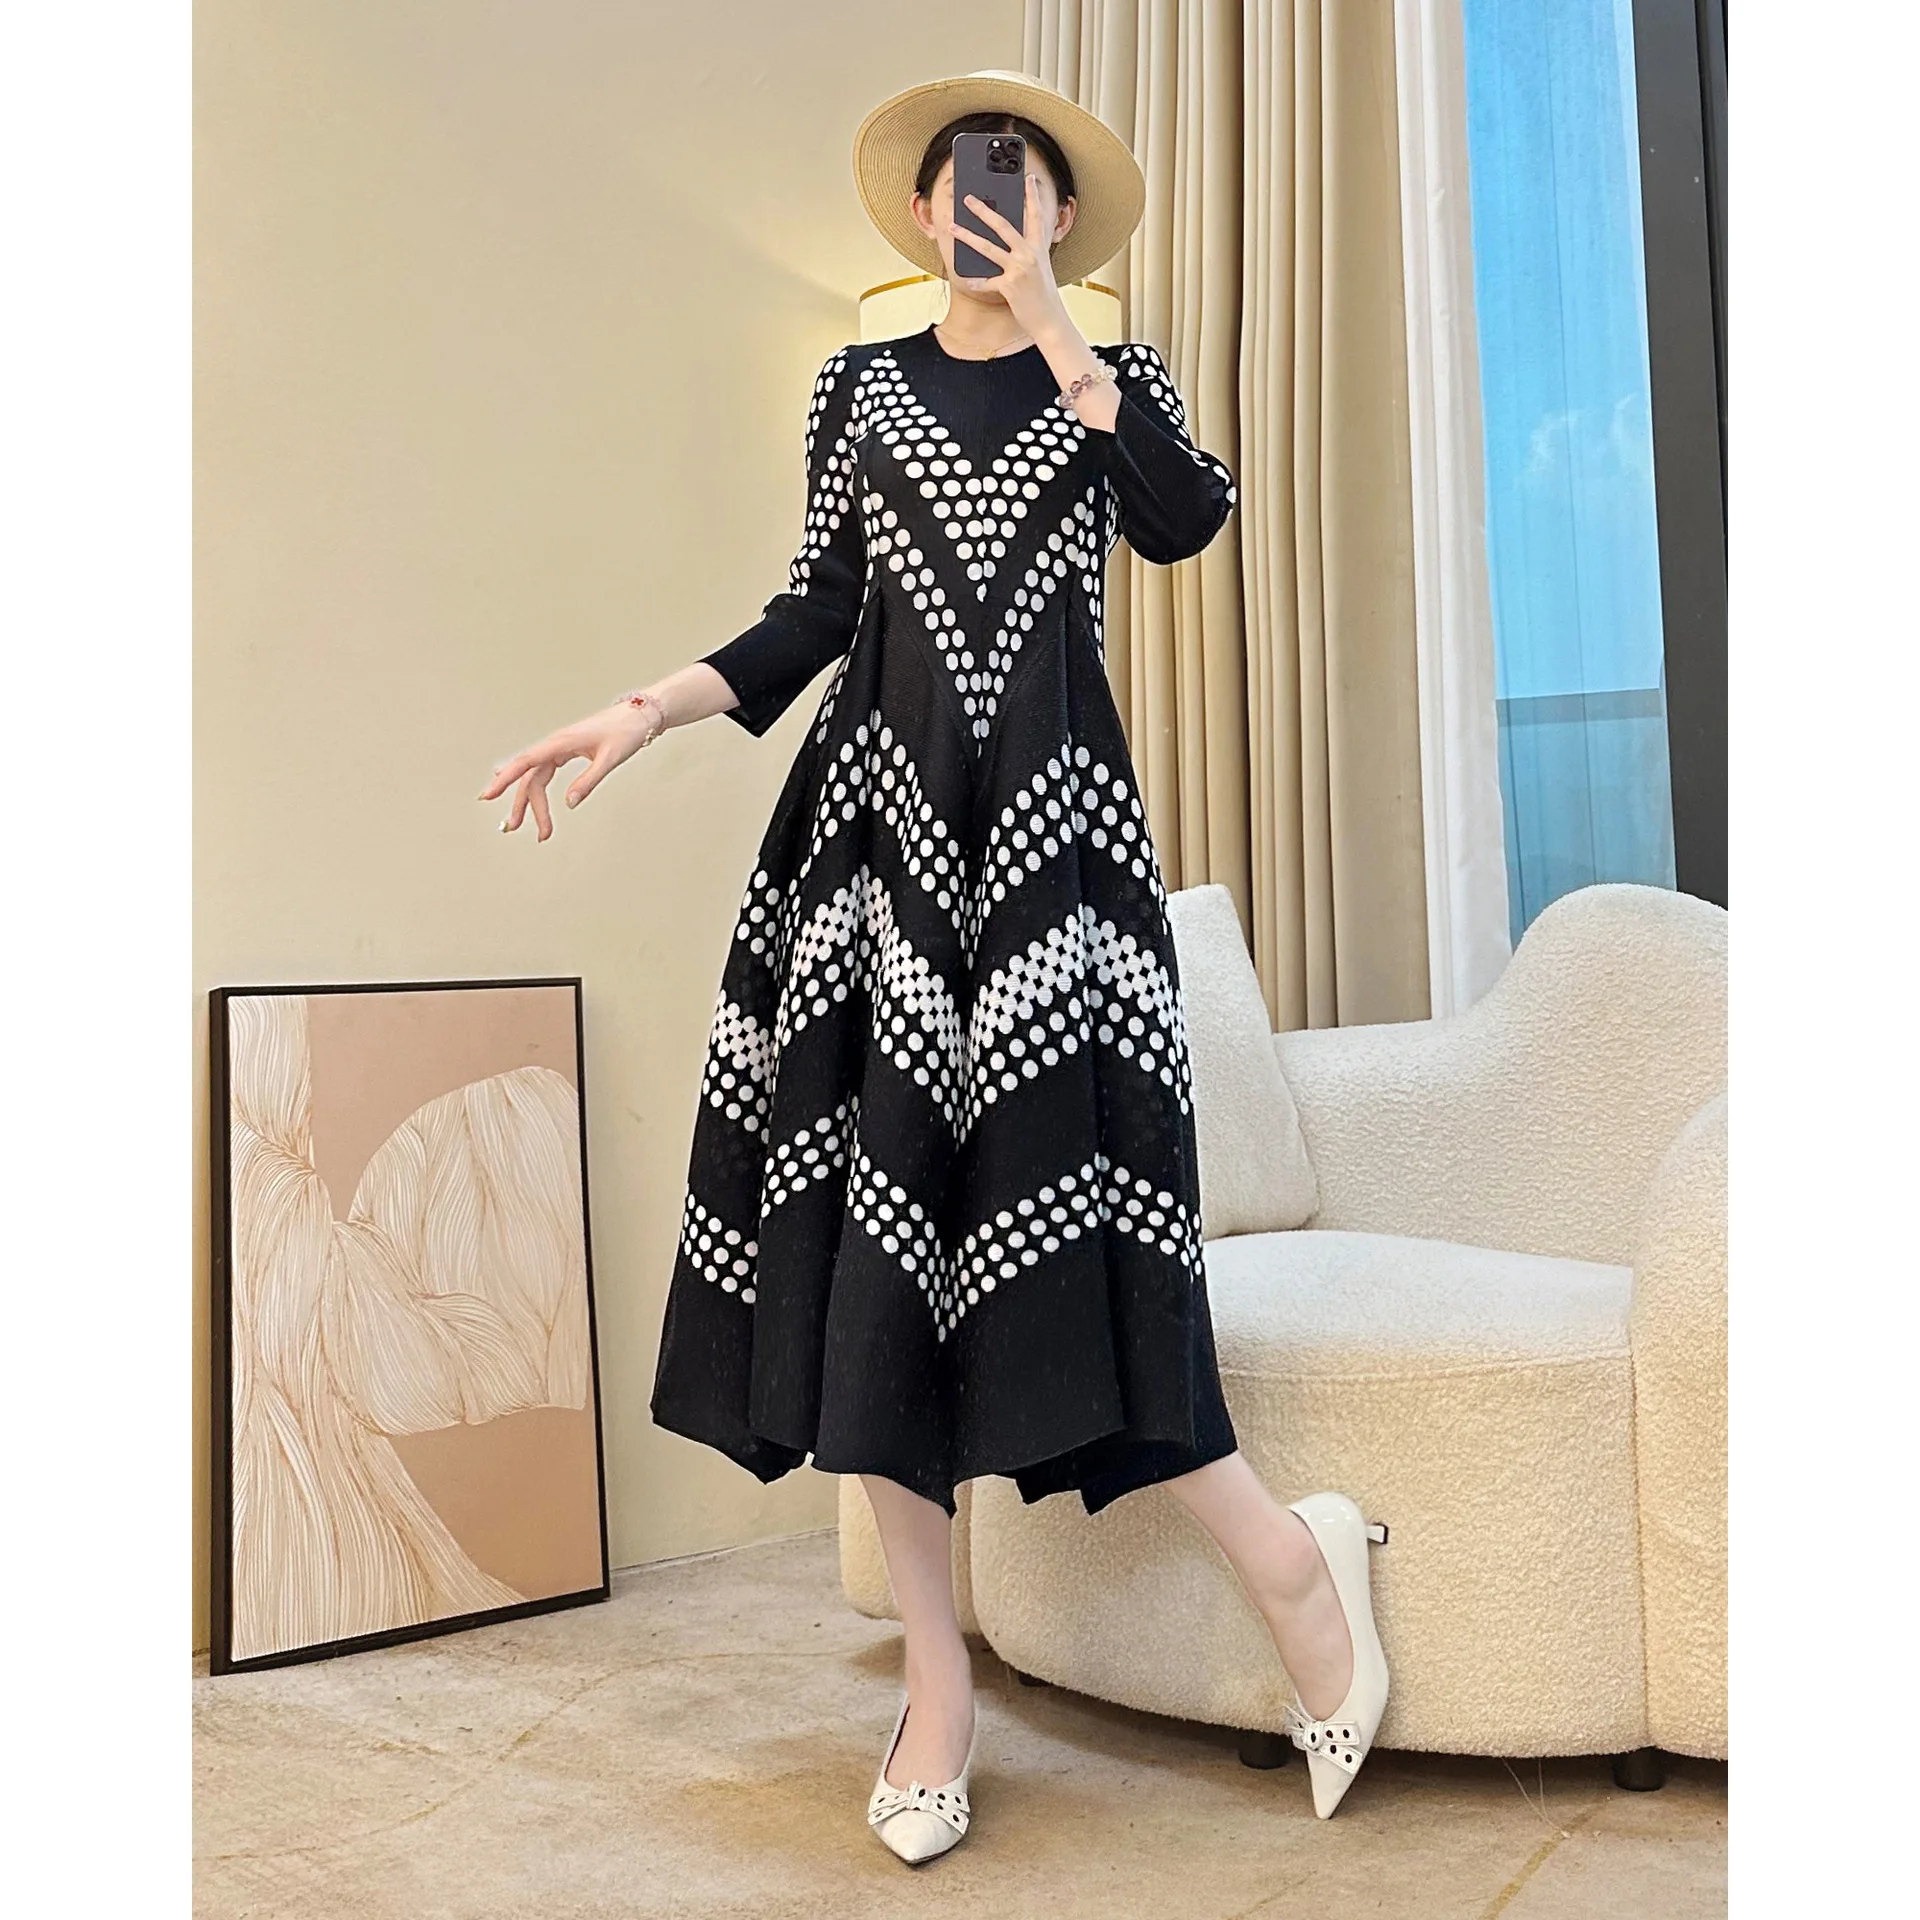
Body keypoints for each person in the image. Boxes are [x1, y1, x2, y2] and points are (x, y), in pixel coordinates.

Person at [478, 68, 1390, 1864]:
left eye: (1024, 177)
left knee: (1093, 1229)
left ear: (1059, 215)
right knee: (877, 1253)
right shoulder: (858, 387)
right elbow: (819, 608)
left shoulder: (1114, 385)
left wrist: (1058, 331)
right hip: (878, 861)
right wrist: (645, 711)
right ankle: (935, 1683)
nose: (990, 197)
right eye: (968, 175)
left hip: (1056, 861)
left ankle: (1298, 1565)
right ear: (920, 210)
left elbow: (1186, 517)